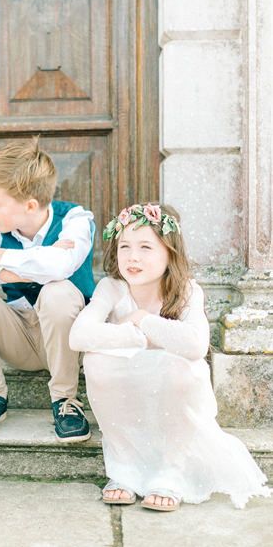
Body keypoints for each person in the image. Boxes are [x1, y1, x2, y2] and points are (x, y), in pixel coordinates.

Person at [69, 203, 271, 511]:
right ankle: (124, 469)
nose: (132, 257)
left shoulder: (187, 290)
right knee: (96, 361)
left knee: (185, 367)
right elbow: (78, 336)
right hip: (128, 384)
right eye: (125, 246)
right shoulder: (111, 287)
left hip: (169, 386)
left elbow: (195, 345)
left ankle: (172, 468)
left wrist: (143, 319)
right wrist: (138, 335)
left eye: (146, 247)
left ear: (169, 253)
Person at [0, 139, 95, 440]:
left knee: (58, 291)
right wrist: (12, 270)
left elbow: (59, 268)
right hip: (19, 337)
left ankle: (65, 399)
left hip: (69, 342)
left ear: (30, 205)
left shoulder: (75, 219)